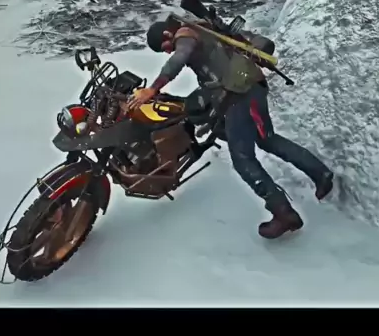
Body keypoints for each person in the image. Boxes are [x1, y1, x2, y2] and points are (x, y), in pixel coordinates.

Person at [126, 17, 334, 239]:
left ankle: (284, 213)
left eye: (165, 47)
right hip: (251, 89)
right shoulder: (201, 28)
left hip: (239, 97)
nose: (168, 51)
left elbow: (179, 57)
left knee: (243, 158)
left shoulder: (185, 34)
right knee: (268, 140)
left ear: (167, 34)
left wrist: (153, 89)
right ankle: (320, 173)